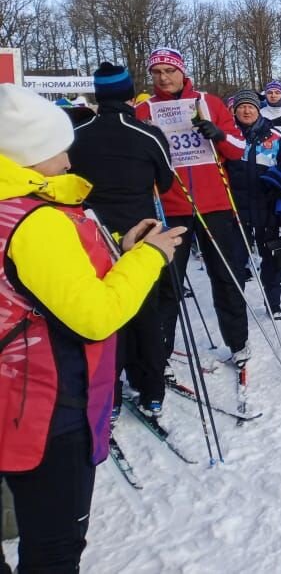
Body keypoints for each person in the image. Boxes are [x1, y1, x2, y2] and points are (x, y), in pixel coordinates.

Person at [0, 84, 185, 574]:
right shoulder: (36, 220)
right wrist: (147, 258)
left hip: (15, 399)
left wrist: (118, 254)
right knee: (53, 552)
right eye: (56, 148)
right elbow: (94, 315)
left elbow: (41, 285)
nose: (67, 158)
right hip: (42, 407)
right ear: (28, 155)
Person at [68, 62, 174, 419]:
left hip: (92, 235)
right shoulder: (147, 132)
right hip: (141, 232)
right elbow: (168, 180)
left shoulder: (79, 132)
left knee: (106, 311)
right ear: (130, 94)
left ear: (99, 95)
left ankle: (108, 395)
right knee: (146, 311)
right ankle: (151, 391)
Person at [135, 48, 253, 366]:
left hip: (214, 205)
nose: (164, 77)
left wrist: (218, 136)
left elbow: (239, 149)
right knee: (167, 284)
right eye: (157, 72)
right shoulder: (144, 110)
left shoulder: (209, 103)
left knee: (226, 276)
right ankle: (160, 350)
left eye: (169, 71)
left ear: (182, 72)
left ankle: (238, 342)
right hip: (171, 208)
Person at [226, 89, 281, 320]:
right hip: (236, 208)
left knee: (271, 258)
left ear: (258, 109)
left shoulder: (275, 136)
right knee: (236, 261)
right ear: (235, 110)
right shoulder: (228, 136)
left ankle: (274, 303)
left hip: (267, 207)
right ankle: (236, 304)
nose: (246, 110)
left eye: (251, 106)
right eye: (241, 107)